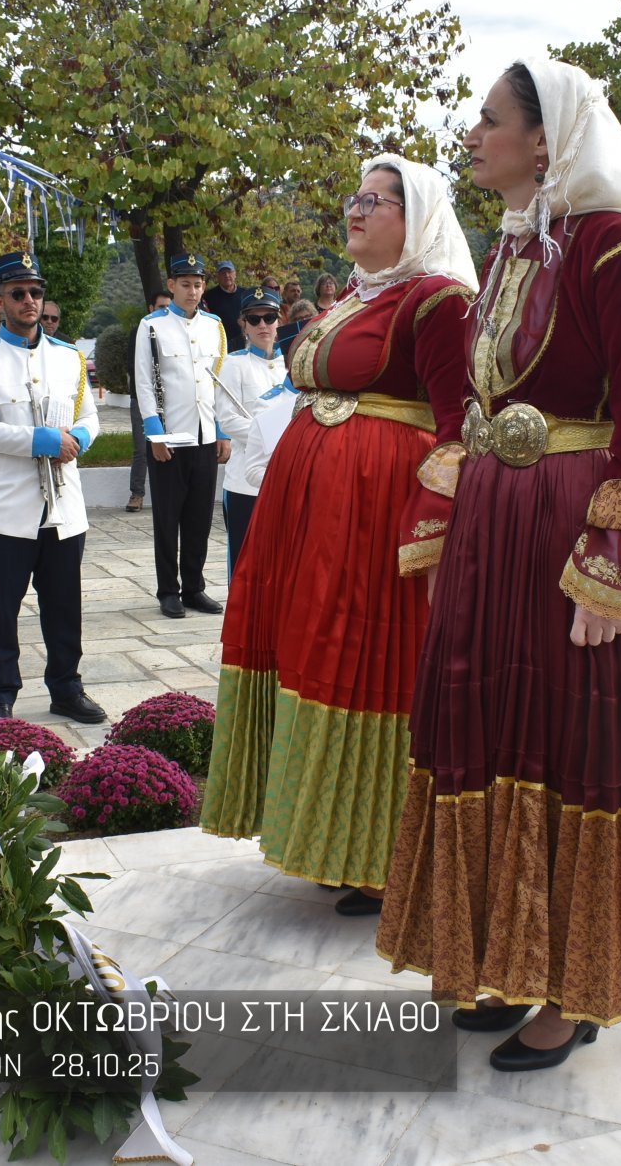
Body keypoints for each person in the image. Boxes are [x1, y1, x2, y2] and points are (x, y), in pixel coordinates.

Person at [374, 59, 621, 1070]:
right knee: (487, 725)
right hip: (497, 522)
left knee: (569, 741)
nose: (470, 136)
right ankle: (503, 957)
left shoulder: (618, 242)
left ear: (546, 141)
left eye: (489, 121)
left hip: (566, 524)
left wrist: (616, 561)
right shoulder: (518, 243)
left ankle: (573, 988)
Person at [201, 152, 475, 916]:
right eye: (355, 197)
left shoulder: (439, 300)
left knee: (370, 664)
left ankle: (385, 854)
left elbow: (460, 427)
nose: (356, 210)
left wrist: (436, 525)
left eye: (378, 200)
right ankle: (330, 836)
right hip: (315, 510)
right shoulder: (357, 296)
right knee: (313, 655)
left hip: (381, 513)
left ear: (414, 218)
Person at [0, 250, 106, 724]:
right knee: (0, 608)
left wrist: (78, 437)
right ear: (0, 299)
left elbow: (89, 417)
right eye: (17, 293)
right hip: (5, 507)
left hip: (63, 505)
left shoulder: (68, 357)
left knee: (64, 606)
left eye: (35, 292)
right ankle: (1, 694)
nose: (28, 300)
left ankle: (66, 687)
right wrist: (44, 440)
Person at [134, 254, 228, 618]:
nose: (193, 290)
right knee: (168, 517)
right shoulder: (152, 326)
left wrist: (221, 431)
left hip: (204, 432)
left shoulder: (214, 326)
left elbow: (216, 383)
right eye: (185, 284)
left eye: (198, 283)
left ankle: (194, 587)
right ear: (171, 286)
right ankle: (167, 590)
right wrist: (154, 434)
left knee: (199, 517)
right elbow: (143, 381)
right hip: (170, 435)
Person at [213, 288, 287, 573]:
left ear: (279, 320)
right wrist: (269, 436)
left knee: (280, 563)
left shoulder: (290, 366)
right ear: (243, 324)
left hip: (283, 478)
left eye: (269, 317)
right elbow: (228, 419)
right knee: (244, 565)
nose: (263, 326)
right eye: (254, 320)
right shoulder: (234, 364)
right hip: (245, 483)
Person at [126, 289, 171, 513]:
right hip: (141, 399)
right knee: (141, 449)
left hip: (169, 401)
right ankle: (137, 493)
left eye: (168, 307)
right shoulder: (141, 330)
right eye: (161, 307)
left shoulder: (175, 331)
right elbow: (136, 369)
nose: (165, 311)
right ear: (151, 309)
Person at [202, 259, 245, 349]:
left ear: (235, 274)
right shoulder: (209, 296)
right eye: (223, 273)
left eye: (229, 272)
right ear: (218, 276)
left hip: (243, 342)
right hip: (220, 343)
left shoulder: (245, 294)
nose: (226, 275)